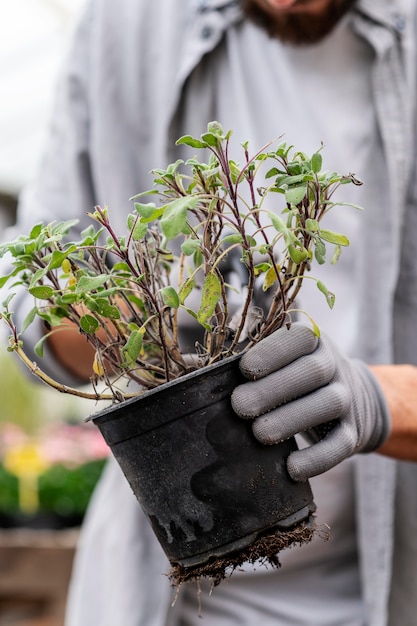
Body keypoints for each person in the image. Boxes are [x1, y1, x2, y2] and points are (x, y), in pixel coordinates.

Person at [4, 0, 417, 624]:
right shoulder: (126, 24)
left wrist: (381, 402)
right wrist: (124, 314)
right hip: (160, 604)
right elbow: (40, 306)